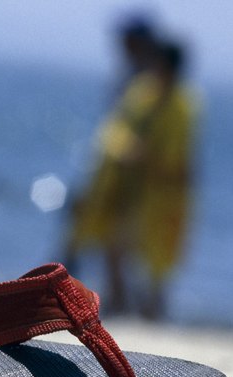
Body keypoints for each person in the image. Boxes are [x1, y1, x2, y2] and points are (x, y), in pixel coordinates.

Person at [63, 40, 198, 320]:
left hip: (164, 192)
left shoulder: (184, 105)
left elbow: (178, 158)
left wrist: (139, 155)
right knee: (115, 243)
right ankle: (120, 302)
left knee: (158, 258)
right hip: (129, 186)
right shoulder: (143, 93)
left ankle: (151, 311)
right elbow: (118, 130)